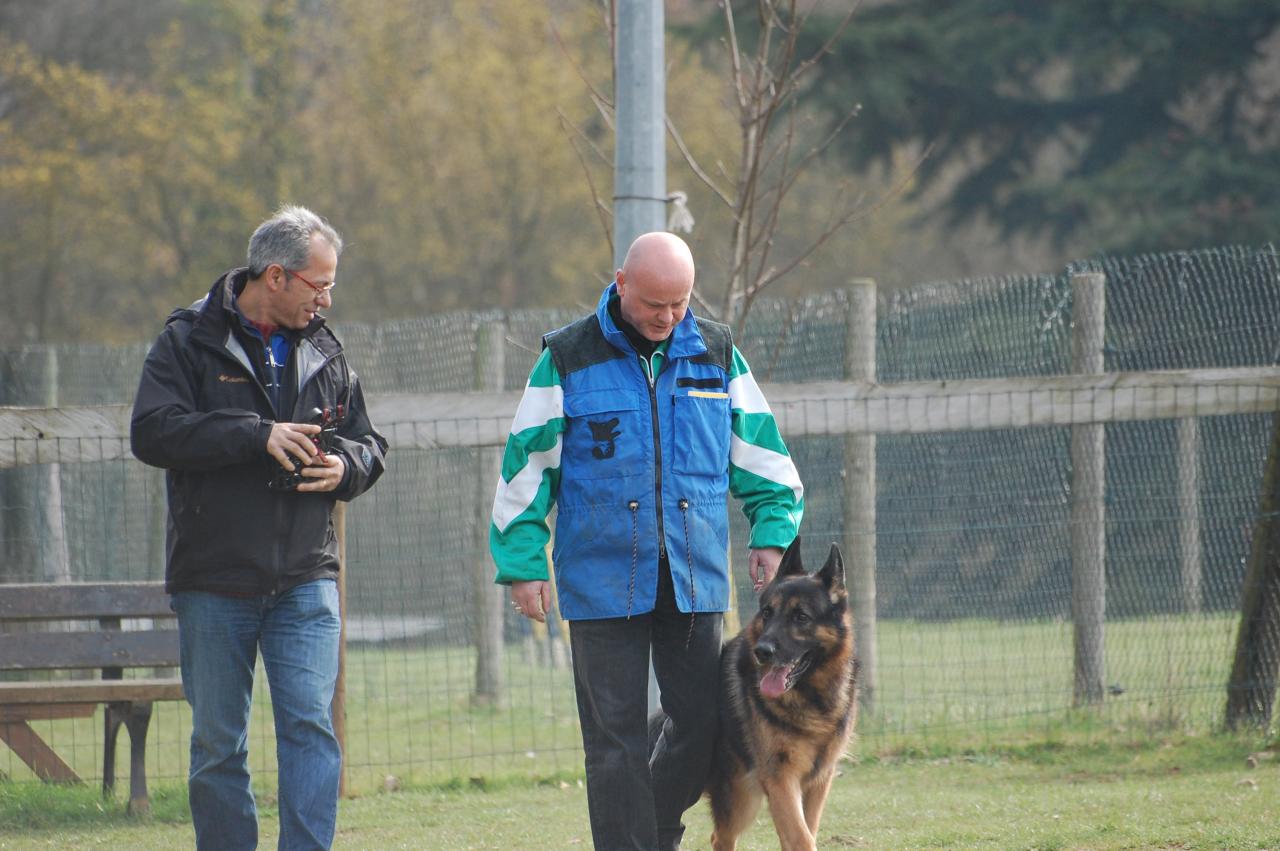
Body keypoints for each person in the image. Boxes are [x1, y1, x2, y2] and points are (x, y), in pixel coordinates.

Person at [489, 231, 804, 851]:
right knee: (614, 742)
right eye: (653, 303)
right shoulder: (568, 358)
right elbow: (526, 467)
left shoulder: (716, 354)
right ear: (621, 282)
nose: (666, 318)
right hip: (601, 579)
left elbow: (767, 459)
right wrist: (524, 564)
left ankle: (653, 833)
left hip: (694, 576)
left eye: (679, 304)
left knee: (704, 723)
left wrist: (771, 534)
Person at [130, 205, 387, 851]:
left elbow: (369, 442)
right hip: (215, 581)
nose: (327, 299)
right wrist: (256, 435)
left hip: (306, 578)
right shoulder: (187, 339)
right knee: (219, 743)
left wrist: (345, 466)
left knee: (311, 729)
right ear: (276, 275)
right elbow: (152, 431)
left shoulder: (326, 346)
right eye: (318, 284)